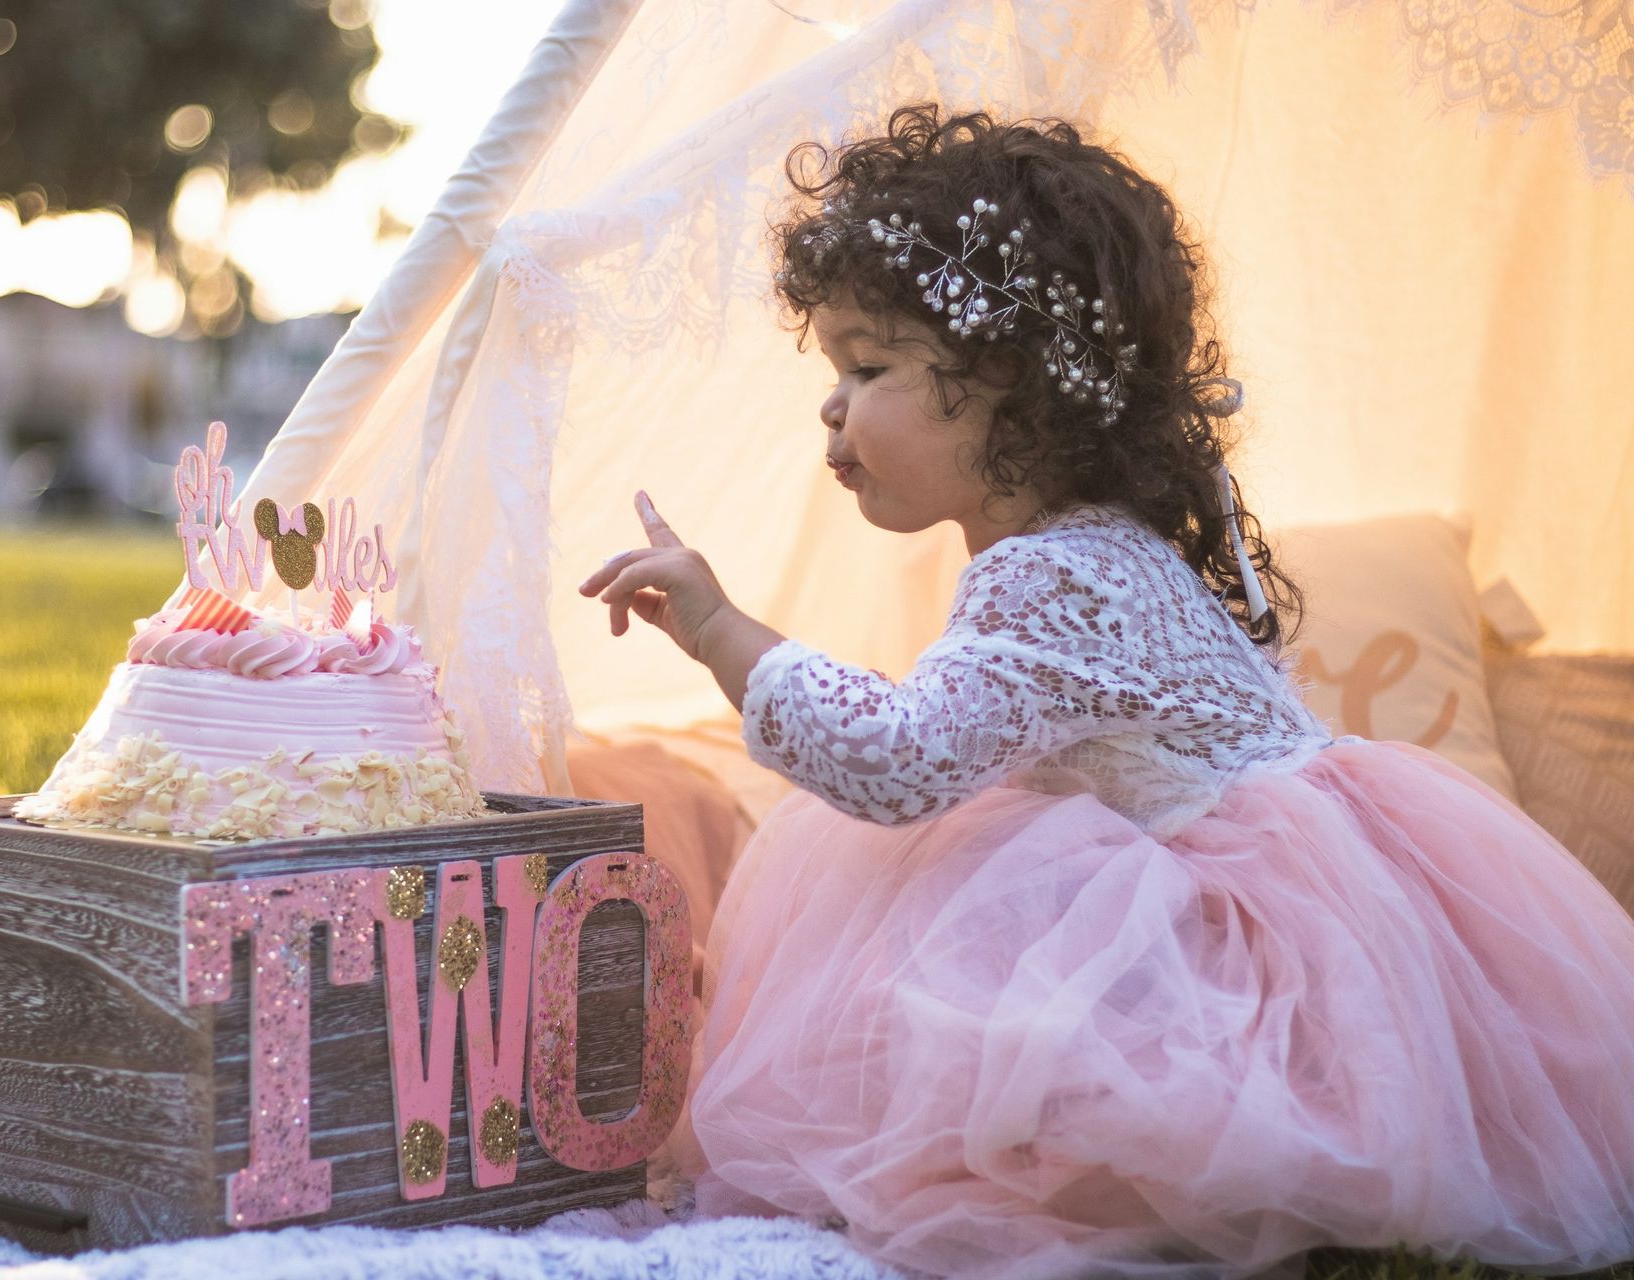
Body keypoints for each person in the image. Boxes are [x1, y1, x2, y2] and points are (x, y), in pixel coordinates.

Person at [577, 105, 1634, 1279]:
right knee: (989, 872)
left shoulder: (1056, 572)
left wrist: (724, 630)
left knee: (992, 908)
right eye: (832, 368)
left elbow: (900, 761)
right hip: (1300, 895)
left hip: (1257, 944)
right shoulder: (1096, 546)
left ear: (1014, 390)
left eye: (868, 364)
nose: (832, 405)